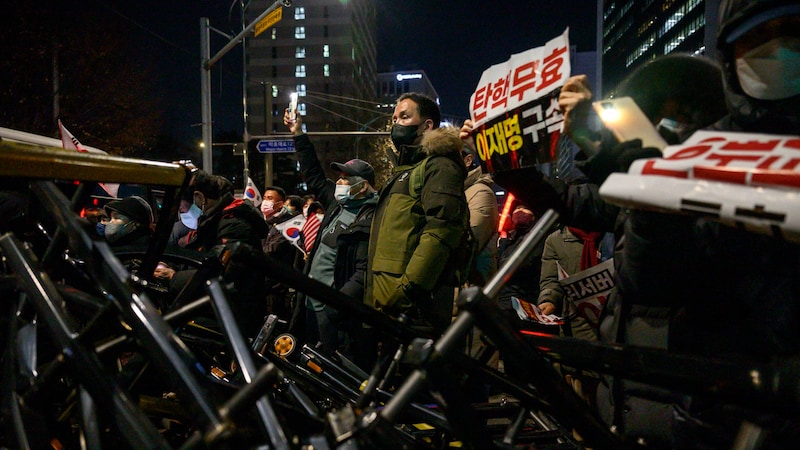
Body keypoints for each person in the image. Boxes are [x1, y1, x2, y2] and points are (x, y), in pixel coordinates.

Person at [365, 93, 469, 336]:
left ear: (427, 125)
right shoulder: (405, 171)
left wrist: (408, 289)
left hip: (415, 310)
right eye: (394, 118)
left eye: (404, 116)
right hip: (391, 306)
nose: (396, 124)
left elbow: (442, 231)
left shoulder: (439, 166)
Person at [284, 110, 379, 364]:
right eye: (339, 177)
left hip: (335, 310)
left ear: (365, 186)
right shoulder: (337, 205)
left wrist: (336, 306)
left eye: (346, 179)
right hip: (311, 303)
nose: (339, 182)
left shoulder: (373, 216)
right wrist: (298, 134)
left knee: (332, 364)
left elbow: (363, 270)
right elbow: (313, 174)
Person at [154, 171, 270, 336]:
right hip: (217, 309)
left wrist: (174, 277)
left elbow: (224, 272)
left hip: (230, 315)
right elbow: (195, 254)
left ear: (200, 197)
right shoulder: (216, 220)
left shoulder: (233, 225)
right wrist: (168, 264)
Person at [458, 133, 498, 286]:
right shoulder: (460, 191)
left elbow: (469, 242)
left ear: (468, 160)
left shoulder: (480, 192)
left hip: (473, 288)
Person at [262, 185, 304, 319]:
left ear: (280, 204)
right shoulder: (265, 222)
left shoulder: (287, 225)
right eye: (264, 198)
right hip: (265, 285)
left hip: (278, 287)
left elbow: (270, 250)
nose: (265, 202)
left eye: (270, 198)